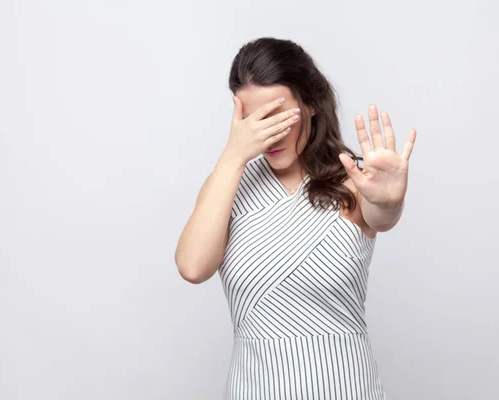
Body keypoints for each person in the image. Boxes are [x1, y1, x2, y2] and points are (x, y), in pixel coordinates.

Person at [175, 37, 416, 400]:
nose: (268, 133)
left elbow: (381, 216)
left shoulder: (353, 181)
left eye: (279, 114)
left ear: (311, 104)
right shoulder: (226, 186)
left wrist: (391, 200)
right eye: (252, 119)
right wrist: (232, 157)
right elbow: (193, 267)